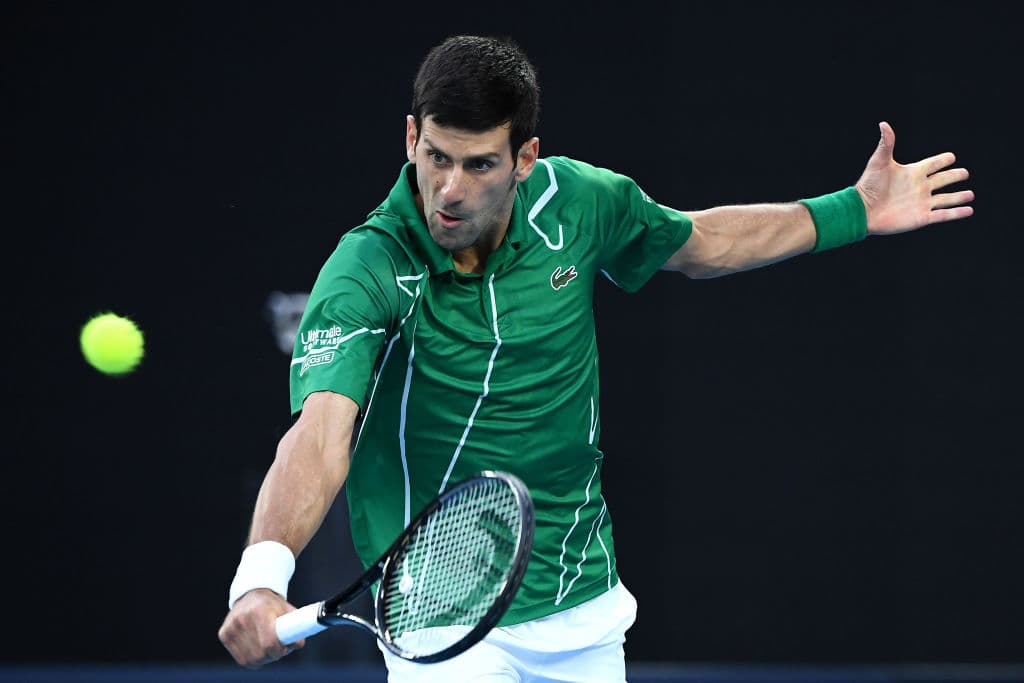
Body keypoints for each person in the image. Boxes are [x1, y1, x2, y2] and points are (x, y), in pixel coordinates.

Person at [217, 34, 973, 681]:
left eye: (478, 165)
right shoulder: (367, 268)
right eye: (436, 157)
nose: (448, 190)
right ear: (411, 137)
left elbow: (702, 243)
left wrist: (853, 210)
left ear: (525, 158)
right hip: (438, 608)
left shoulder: (581, 204)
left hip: (581, 600)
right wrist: (261, 576)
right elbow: (321, 433)